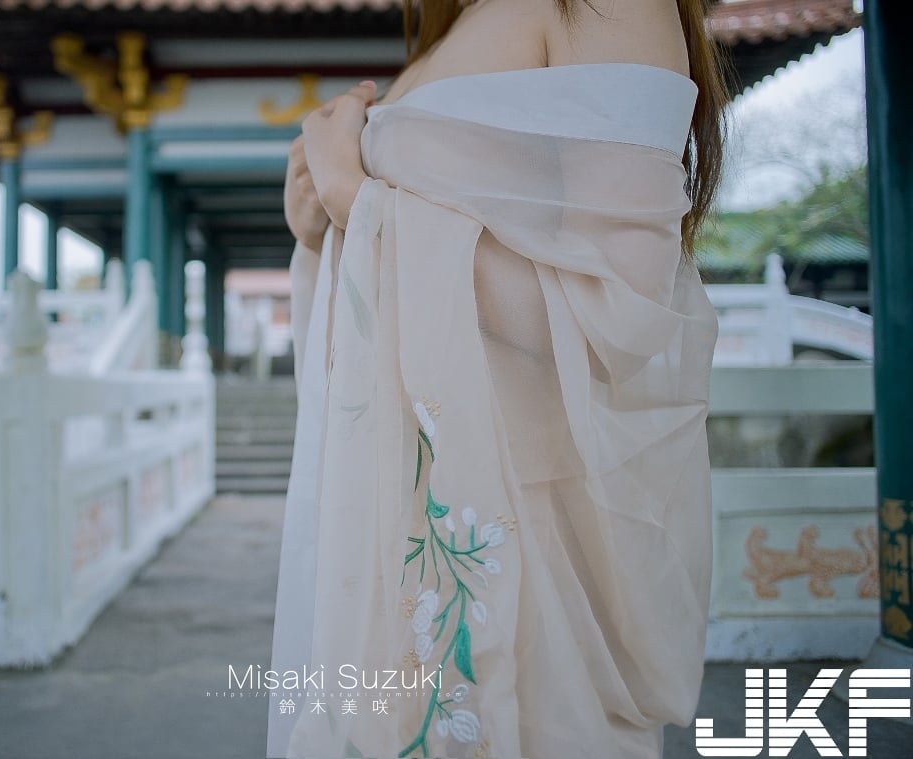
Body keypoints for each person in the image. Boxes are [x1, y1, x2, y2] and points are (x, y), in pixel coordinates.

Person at [268, 1, 727, 757]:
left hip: (523, 538)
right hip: (396, 525)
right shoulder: (445, 32)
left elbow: (617, 315)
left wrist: (358, 196)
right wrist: (322, 229)